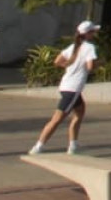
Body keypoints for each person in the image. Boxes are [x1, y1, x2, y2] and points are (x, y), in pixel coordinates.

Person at [31, 21, 101, 155]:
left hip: (66, 85)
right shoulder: (89, 47)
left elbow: (57, 61)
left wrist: (70, 65)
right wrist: (99, 64)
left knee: (80, 113)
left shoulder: (73, 47)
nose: (94, 34)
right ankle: (38, 146)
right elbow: (90, 67)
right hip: (73, 88)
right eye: (92, 32)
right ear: (86, 34)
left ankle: (73, 145)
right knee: (57, 119)